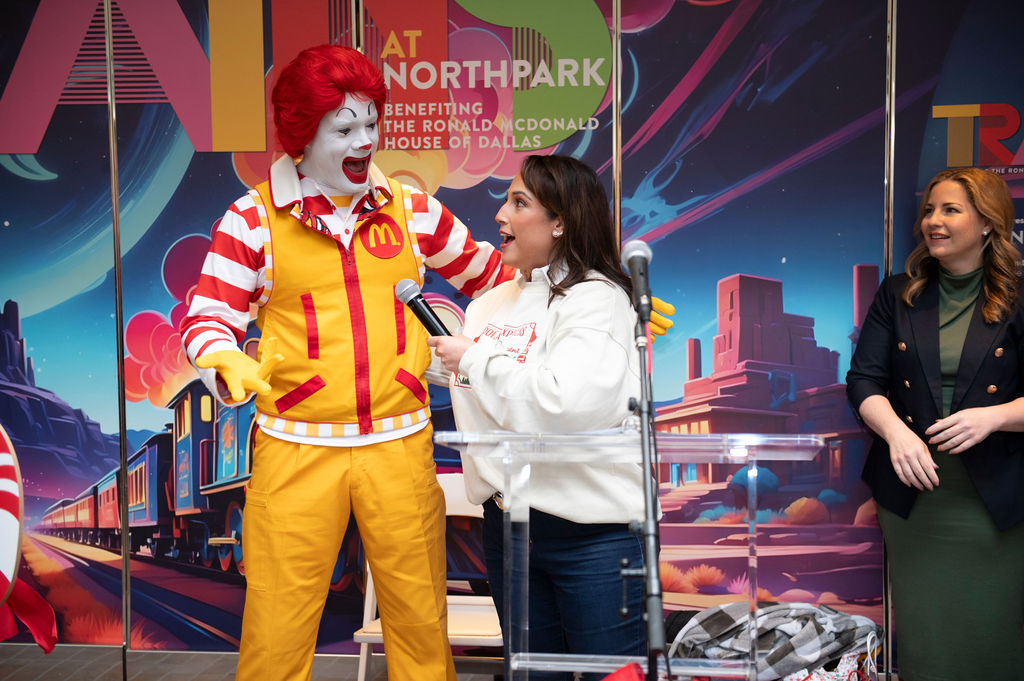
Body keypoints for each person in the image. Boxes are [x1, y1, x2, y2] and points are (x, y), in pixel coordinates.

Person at [179, 44, 518, 681]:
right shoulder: (252, 220)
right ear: (305, 135)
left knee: (421, 627)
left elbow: (493, 273)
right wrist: (226, 359)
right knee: (277, 631)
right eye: (345, 128)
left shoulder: (411, 209)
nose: (365, 141)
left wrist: (591, 288)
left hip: (398, 445)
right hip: (296, 450)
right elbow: (208, 317)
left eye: (371, 122)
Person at [428, 155, 650, 680]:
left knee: (609, 675)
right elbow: (486, 395)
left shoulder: (599, 297)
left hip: (593, 535)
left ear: (561, 222)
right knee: (531, 675)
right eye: (506, 200)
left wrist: (475, 360)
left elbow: (567, 404)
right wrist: (439, 369)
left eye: (519, 202)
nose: (500, 215)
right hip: (509, 529)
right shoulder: (486, 307)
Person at [846, 167, 1024, 680]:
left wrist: (994, 417)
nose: (933, 221)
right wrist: (897, 435)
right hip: (913, 496)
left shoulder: (1017, 295)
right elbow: (863, 381)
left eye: (950, 210)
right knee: (926, 641)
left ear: (988, 223)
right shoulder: (899, 292)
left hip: (994, 499)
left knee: (990, 634)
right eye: (929, 210)